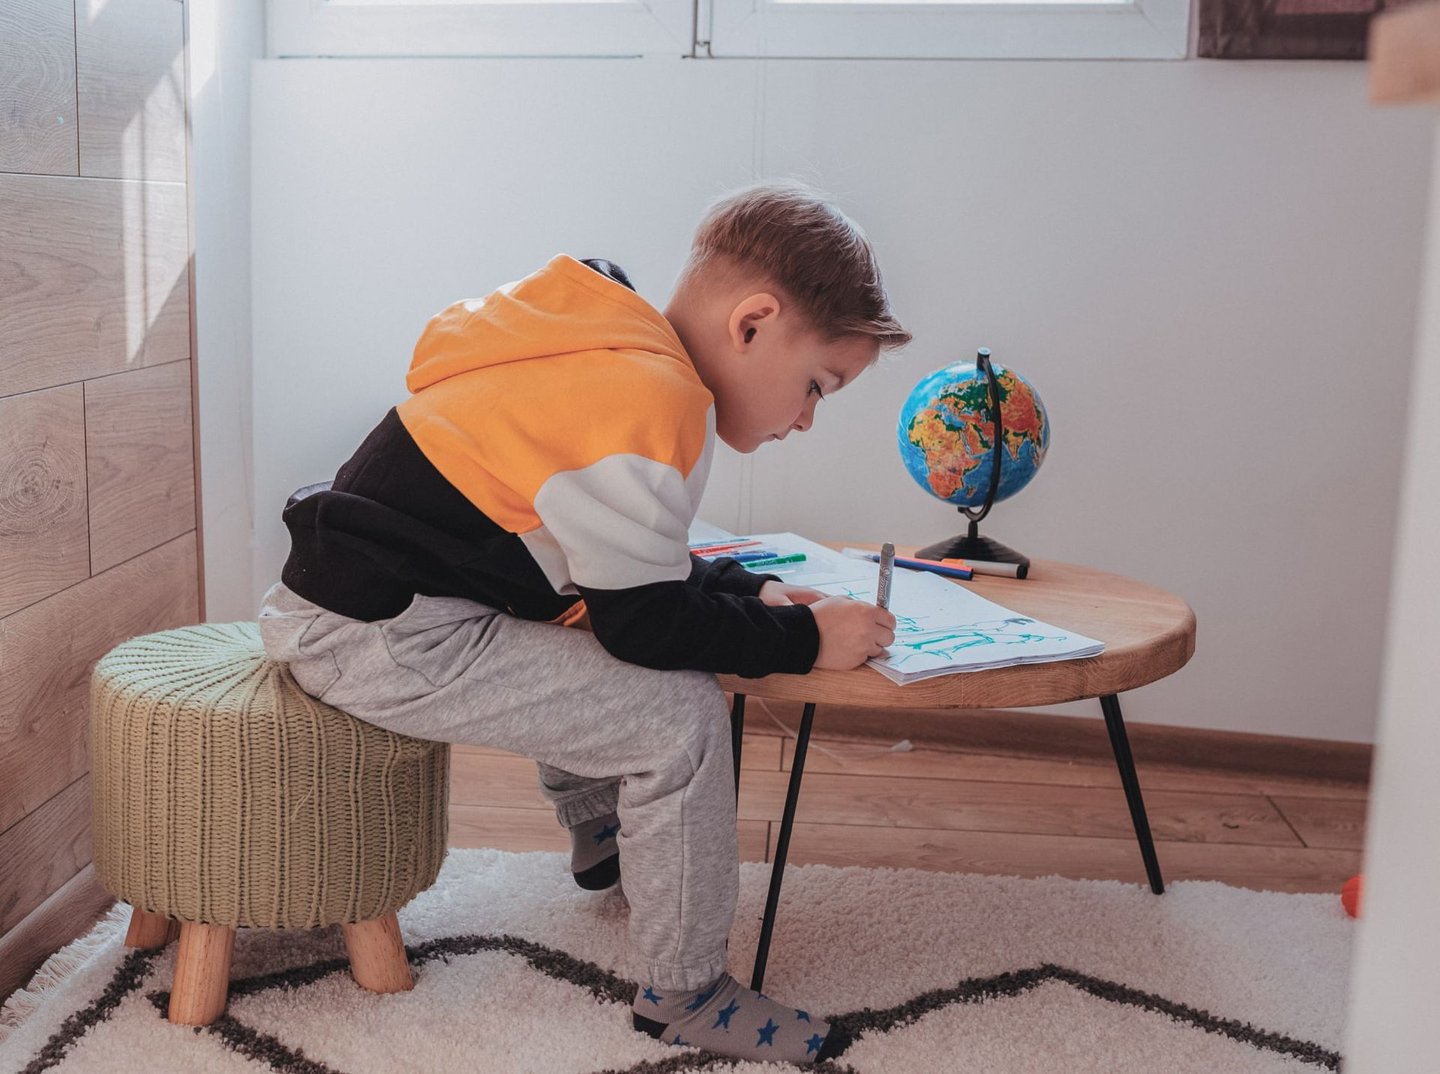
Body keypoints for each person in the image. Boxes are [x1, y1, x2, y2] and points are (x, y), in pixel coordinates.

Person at [258, 179, 909, 1065]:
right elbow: (642, 626)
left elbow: (610, 561)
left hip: (373, 603)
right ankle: (685, 992)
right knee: (676, 718)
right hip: (378, 638)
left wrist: (740, 592)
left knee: (589, 626)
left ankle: (604, 832)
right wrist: (804, 641)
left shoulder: (608, 347)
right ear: (752, 325)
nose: (803, 419)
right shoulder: (651, 406)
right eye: (816, 387)